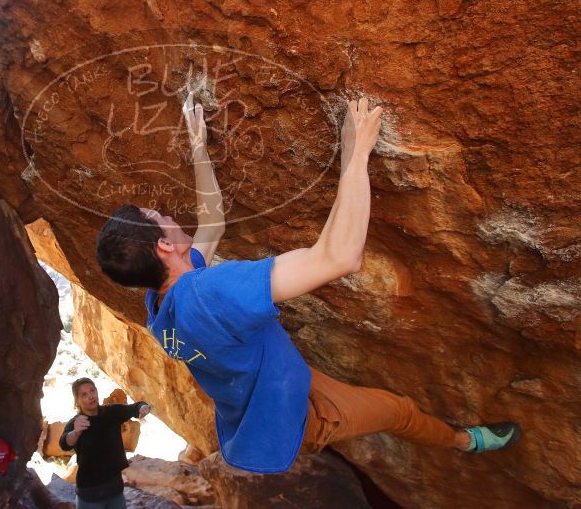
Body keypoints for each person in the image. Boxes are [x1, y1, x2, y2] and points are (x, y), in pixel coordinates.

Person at [95, 93, 521, 473]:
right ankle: (464, 441)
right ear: (163, 248)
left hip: (269, 388)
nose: (167, 215)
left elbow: (213, 220)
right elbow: (340, 257)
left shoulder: (162, 303)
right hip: (296, 414)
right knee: (399, 411)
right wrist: (357, 155)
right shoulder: (212, 292)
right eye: (157, 219)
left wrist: (197, 146)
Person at [59, 377, 152, 508]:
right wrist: (76, 432)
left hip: (115, 490)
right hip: (90, 495)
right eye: (84, 394)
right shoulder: (76, 423)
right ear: (77, 401)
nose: (90, 396)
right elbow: (64, 443)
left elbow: (134, 407)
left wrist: (142, 407)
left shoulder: (111, 412)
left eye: (92, 391)